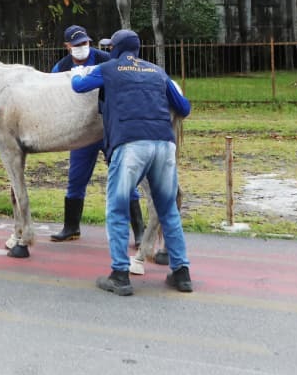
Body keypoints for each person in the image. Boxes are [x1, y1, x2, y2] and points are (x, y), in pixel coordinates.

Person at [71, 29, 193, 297]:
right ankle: (182, 273)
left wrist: (81, 73)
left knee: (117, 208)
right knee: (168, 209)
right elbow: (183, 108)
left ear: (115, 48)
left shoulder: (109, 68)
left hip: (129, 145)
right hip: (164, 144)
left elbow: (78, 87)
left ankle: (120, 275)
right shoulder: (158, 71)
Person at [49, 25, 146, 247]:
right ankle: (71, 227)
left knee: (125, 177)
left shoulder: (106, 60)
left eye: (85, 43)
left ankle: (139, 231)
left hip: (109, 129)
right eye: (76, 45)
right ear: (67, 47)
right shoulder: (61, 68)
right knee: (76, 178)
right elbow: (53, 95)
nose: (82, 48)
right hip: (81, 132)